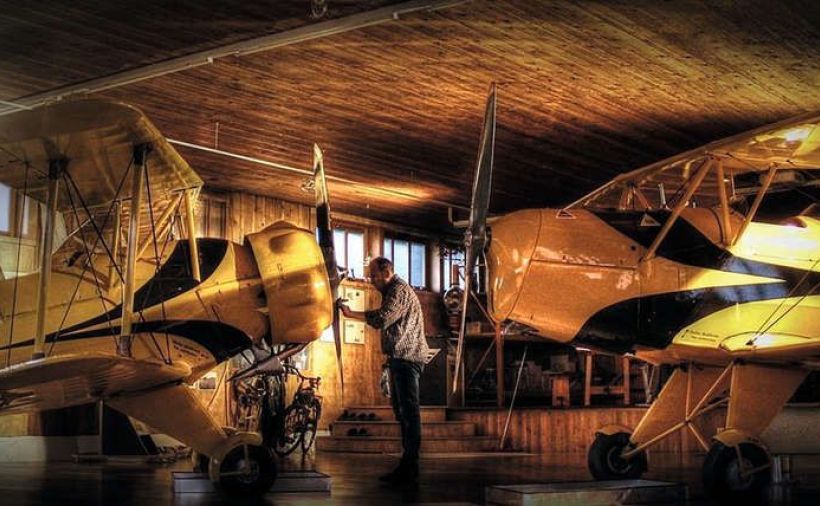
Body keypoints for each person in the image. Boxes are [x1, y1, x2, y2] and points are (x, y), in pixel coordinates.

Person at [338, 256, 429, 485]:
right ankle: (408, 466)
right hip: (400, 358)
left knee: (409, 413)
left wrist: (351, 314)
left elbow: (382, 318)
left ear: (386, 272)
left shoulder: (398, 290)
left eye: (374, 275)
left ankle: (410, 466)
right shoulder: (393, 291)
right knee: (402, 413)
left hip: (407, 358)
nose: (371, 280)